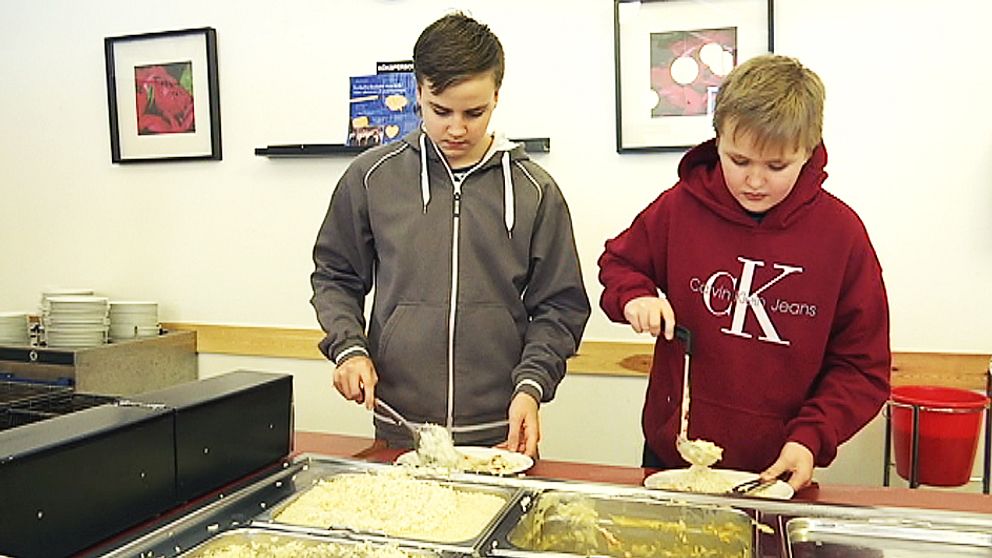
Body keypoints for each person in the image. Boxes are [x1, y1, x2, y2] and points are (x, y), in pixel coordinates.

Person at [597, 54, 890, 491]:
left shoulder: (842, 235)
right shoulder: (679, 208)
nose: (754, 181)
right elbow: (619, 263)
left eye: (776, 167)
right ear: (717, 142)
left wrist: (811, 437)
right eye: (738, 160)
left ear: (807, 153)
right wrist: (635, 295)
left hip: (776, 468)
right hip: (672, 458)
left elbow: (862, 368)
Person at [310, 12, 590, 457]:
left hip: (502, 430)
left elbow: (561, 306)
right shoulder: (371, 178)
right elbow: (335, 277)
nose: (456, 128)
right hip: (400, 426)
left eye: (474, 112)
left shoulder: (536, 191)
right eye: (441, 111)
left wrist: (532, 386)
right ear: (418, 92)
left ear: (497, 96)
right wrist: (348, 348)